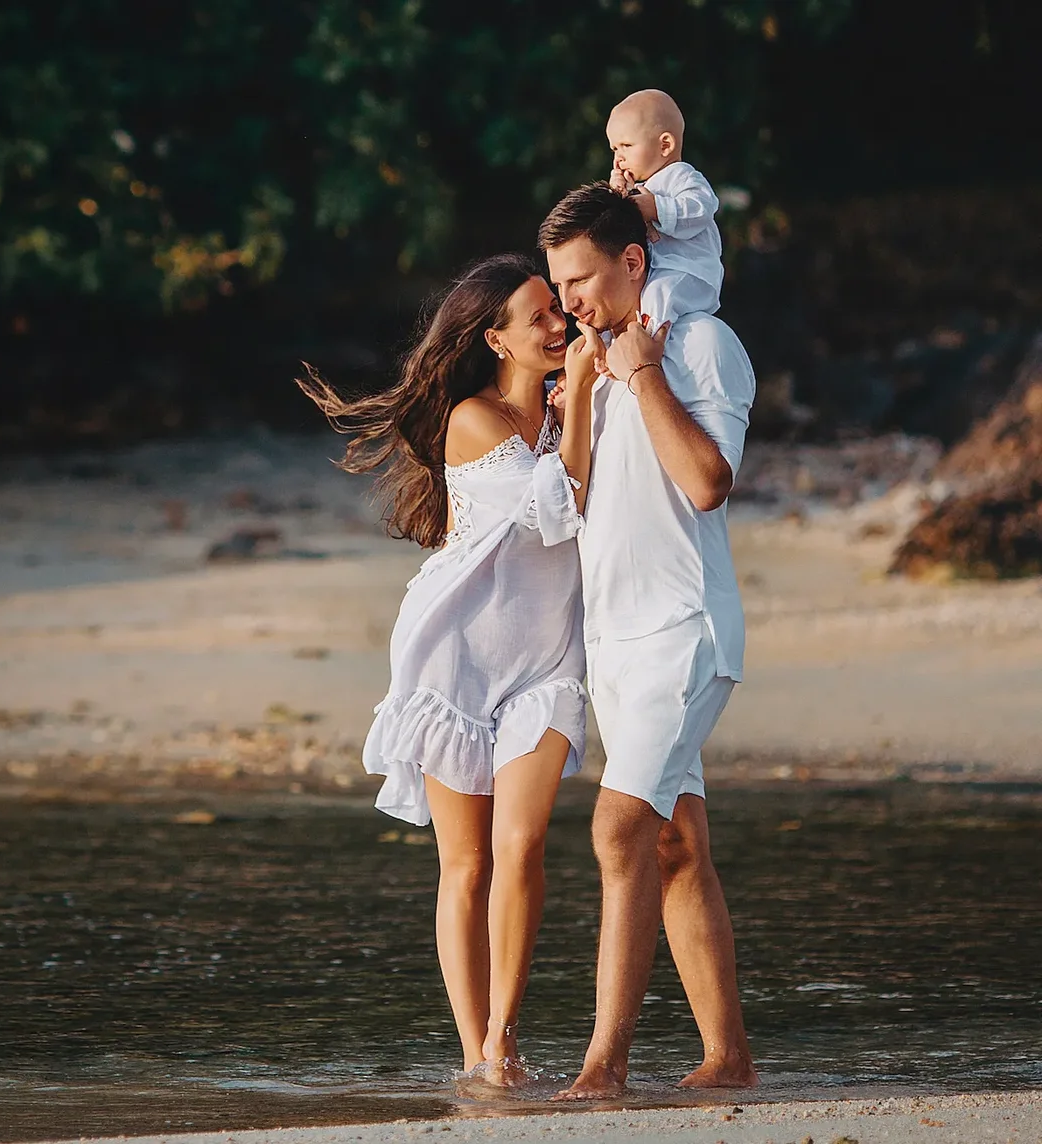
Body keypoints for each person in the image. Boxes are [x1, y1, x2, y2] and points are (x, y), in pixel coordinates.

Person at [297, 253, 603, 1086]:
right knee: (465, 864)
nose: (557, 323)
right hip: (457, 659)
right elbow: (555, 510)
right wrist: (570, 409)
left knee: (524, 841)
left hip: (544, 660)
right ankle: (478, 1052)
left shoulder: (570, 404)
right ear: (495, 337)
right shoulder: (475, 418)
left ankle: (506, 1030)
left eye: (556, 309)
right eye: (538, 314)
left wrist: (579, 401)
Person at [538, 183, 759, 1099]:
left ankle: (604, 1064)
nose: (569, 302)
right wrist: (591, 385)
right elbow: (575, 502)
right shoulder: (597, 359)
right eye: (559, 286)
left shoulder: (700, 345)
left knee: (616, 830)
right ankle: (729, 1060)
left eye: (582, 278)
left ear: (634, 261)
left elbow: (708, 482)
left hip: (683, 631)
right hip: (615, 647)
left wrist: (643, 375)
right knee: (675, 847)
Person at [605, 89, 724, 327]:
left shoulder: (682, 176)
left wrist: (657, 209)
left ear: (665, 145)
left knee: (659, 294)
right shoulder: (641, 187)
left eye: (626, 145)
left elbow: (702, 207)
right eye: (614, 149)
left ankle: (648, 347)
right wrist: (618, 194)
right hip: (661, 272)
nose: (619, 158)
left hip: (691, 272)